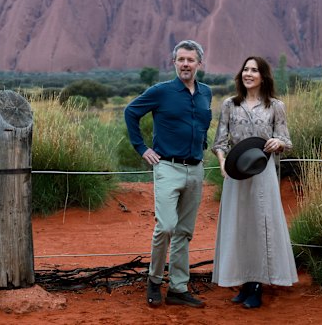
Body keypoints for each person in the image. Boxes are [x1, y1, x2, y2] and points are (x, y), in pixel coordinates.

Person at [124, 40, 212, 308]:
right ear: (174, 62)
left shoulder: (206, 92)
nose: (185, 64)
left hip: (195, 169)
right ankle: (154, 281)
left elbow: (202, 123)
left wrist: (202, 144)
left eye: (190, 60)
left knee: (184, 231)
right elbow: (131, 112)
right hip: (168, 167)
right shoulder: (161, 91)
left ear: (199, 64)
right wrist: (141, 148)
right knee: (166, 226)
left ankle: (178, 288)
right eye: (181, 59)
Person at [211, 56, 298, 309]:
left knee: (262, 226)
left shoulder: (275, 106)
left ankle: (257, 284)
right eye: (245, 69)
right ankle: (244, 282)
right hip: (235, 172)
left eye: (254, 70)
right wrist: (222, 164)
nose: (248, 74)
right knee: (239, 226)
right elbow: (219, 142)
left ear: (263, 76)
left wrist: (277, 143)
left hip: (262, 171)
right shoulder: (230, 104)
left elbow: (286, 141)